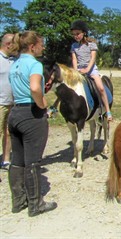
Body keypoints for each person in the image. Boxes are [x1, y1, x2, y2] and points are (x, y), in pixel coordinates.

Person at [8, 31, 57, 216]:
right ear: (32, 46)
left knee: (17, 160)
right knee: (33, 161)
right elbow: (35, 88)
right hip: (31, 113)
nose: (42, 47)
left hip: (15, 112)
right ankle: (36, 204)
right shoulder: (35, 65)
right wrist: (42, 104)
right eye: (41, 44)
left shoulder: (15, 65)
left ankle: (18, 201)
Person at [70, 20, 113, 121]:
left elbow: (93, 58)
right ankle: (54, 107)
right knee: (68, 86)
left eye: (78, 34)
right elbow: (74, 59)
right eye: (74, 34)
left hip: (91, 69)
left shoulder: (92, 44)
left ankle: (107, 111)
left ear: (84, 32)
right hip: (79, 69)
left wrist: (87, 69)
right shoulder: (74, 46)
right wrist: (76, 70)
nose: (76, 36)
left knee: (101, 88)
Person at [0, 33, 15, 170]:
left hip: (11, 102)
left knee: (9, 131)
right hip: (0, 103)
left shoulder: (13, 60)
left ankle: (6, 159)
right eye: (14, 43)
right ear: (8, 44)